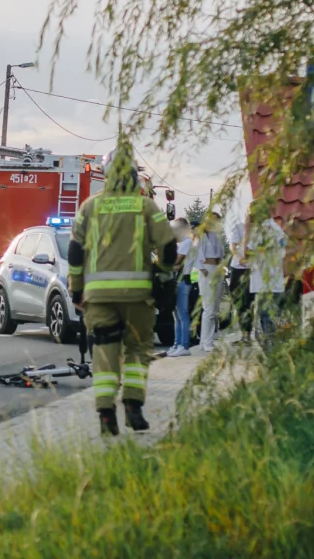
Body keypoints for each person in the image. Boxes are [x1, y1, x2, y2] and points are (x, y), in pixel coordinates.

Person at [68, 142, 177, 436]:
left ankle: (105, 414)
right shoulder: (146, 207)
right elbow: (168, 246)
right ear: (132, 176)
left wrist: (76, 290)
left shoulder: (89, 207)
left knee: (104, 351)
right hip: (137, 297)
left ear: (106, 175)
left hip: (99, 298)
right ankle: (132, 407)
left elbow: (75, 252)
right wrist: (165, 275)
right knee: (138, 349)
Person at [246, 213, 287, 353]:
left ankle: (271, 356)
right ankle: (277, 353)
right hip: (276, 282)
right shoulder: (277, 229)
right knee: (273, 318)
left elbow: (247, 253)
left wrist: (246, 229)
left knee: (265, 321)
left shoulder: (260, 230)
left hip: (264, 283)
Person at [196, 211, 225, 352]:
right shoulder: (201, 235)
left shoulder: (217, 236)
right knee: (208, 308)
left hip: (218, 269)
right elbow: (195, 254)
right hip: (207, 269)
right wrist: (203, 270)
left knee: (214, 309)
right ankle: (206, 342)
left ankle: (206, 340)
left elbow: (222, 254)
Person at [168, 218, 197, 356]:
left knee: (182, 314)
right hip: (178, 281)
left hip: (182, 281)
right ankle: (177, 344)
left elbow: (177, 261)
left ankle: (184, 345)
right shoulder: (183, 243)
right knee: (177, 316)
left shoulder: (187, 242)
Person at [228, 210, 254, 344]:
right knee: (239, 301)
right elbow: (232, 245)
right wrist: (239, 258)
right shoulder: (238, 226)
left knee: (250, 302)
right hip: (238, 268)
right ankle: (245, 335)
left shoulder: (260, 231)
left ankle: (249, 334)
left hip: (253, 269)